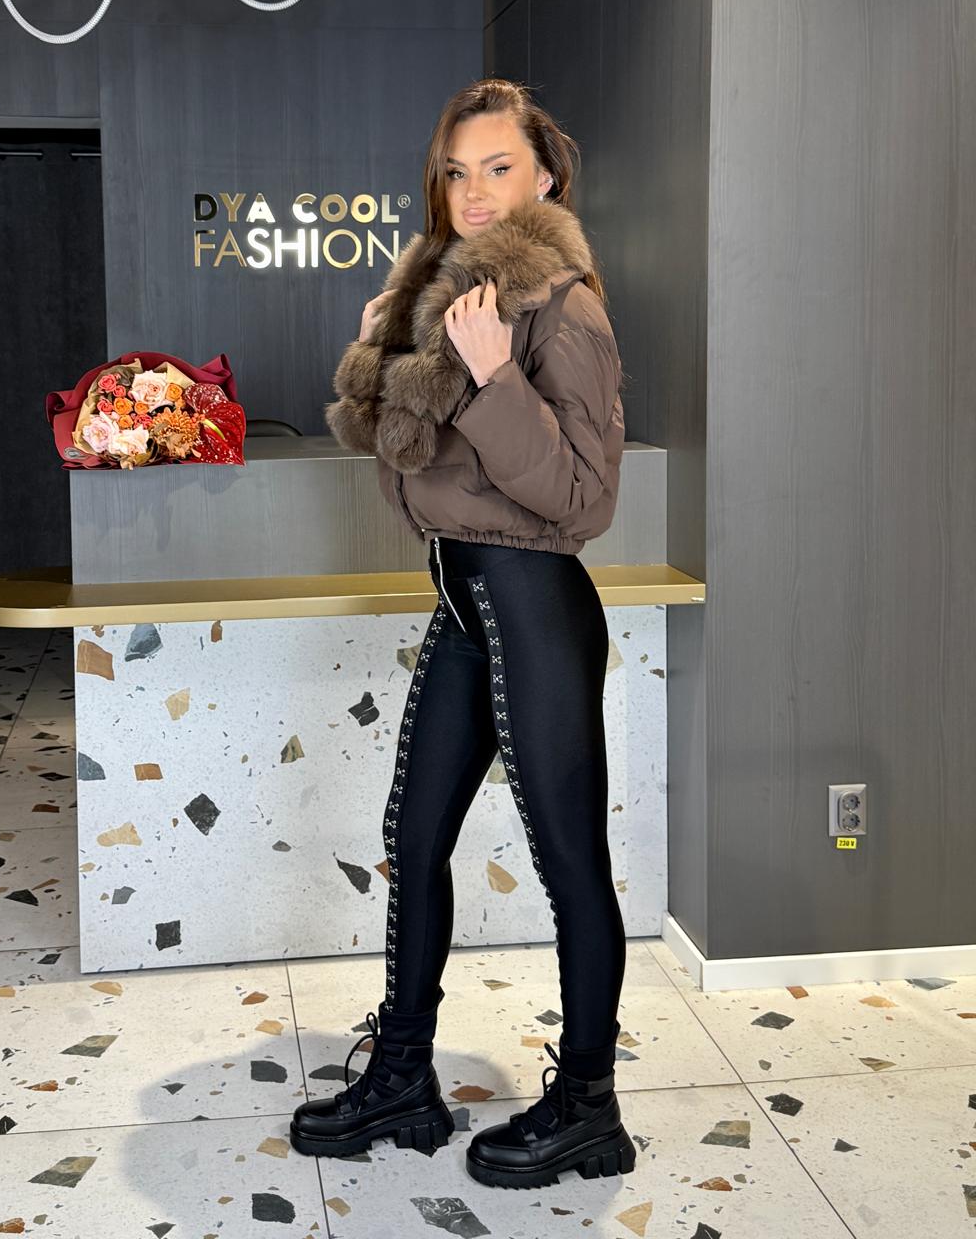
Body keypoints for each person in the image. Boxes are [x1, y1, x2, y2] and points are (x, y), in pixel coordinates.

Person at [292, 78, 632, 1190]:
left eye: (498, 168)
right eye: (456, 171)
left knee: (568, 858)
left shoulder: (562, 310)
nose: (474, 192)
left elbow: (582, 501)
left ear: (546, 178)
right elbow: (415, 469)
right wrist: (385, 358)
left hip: (534, 609)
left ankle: (589, 1108)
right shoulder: (450, 298)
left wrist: (489, 379)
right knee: (414, 831)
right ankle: (402, 1076)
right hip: (466, 603)